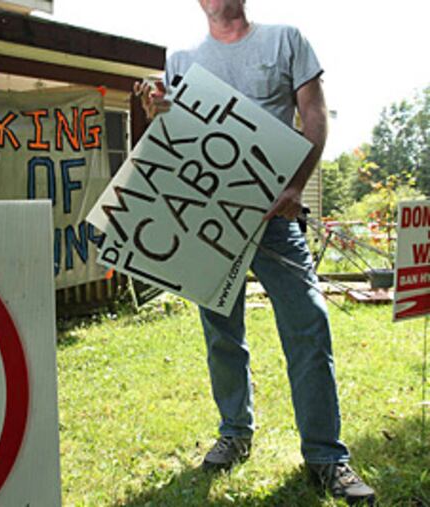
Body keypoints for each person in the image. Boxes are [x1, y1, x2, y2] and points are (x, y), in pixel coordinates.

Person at [134, 1, 376, 504]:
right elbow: (173, 135)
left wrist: (297, 186)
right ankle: (235, 432)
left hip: (275, 219)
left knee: (308, 326)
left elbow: (313, 113)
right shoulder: (180, 60)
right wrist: (155, 109)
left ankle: (327, 457)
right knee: (222, 334)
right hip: (210, 222)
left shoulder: (285, 40)